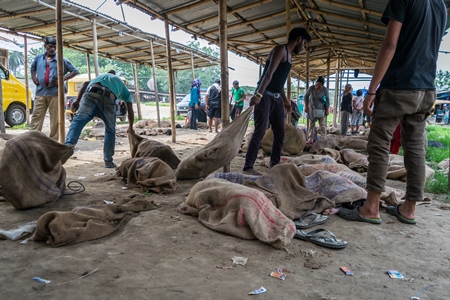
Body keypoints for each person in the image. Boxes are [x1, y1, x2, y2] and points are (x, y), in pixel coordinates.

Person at [338, 0, 447, 225]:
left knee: (379, 144)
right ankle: (408, 209)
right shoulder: (440, 7)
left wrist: (371, 91)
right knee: (415, 148)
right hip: (426, 89)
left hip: (399, 86)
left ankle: (371, 207)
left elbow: (390, 44)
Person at [243, 27, 311, 175]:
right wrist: (258, 96)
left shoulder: (290, 56)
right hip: (265, 95)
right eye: (304, 44)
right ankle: (248, 166)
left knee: (280, 133)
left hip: (276, 97)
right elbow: (268, 74)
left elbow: (278, 81)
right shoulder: (281, 50)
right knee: (260, 131)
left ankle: (274, 165)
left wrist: (286, 101)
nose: (303, 47)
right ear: (299, 39)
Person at [62, 72, 134, 168]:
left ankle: (69, 145)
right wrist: (131, 126)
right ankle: (108, 161)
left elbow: (85, 84)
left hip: (91, 93)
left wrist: (77, 101)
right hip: (109, 97)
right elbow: (130, 110)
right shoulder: (122, 85)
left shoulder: (100, 77)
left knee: (78, 121)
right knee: (110, 130)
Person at [30, 36, 79, 141]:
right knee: (36, 117)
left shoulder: (62, 59)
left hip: (56, 93)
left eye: (55, 47)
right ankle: (32, 140)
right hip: (40, 92)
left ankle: (52, 141)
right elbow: (32, 68)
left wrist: (63, 78)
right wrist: (34, 77)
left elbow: (75, 71)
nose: (52, 49)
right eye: (50, 46)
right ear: (45, 46)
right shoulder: (38, 58)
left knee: (55, 119)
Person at [304, 76, 330, 143]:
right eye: (316, 84)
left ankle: (323, 139)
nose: (317, 86)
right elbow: (306, 97)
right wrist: (306, 106)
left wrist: (327, 109)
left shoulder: (325, 90)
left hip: (321, 110)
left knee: (322, 126)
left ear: (322, 85)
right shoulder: (311, 88)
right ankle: (310, 139)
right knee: (311, 125)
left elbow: (327, 100)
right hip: (312, 110)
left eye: (319, 85)